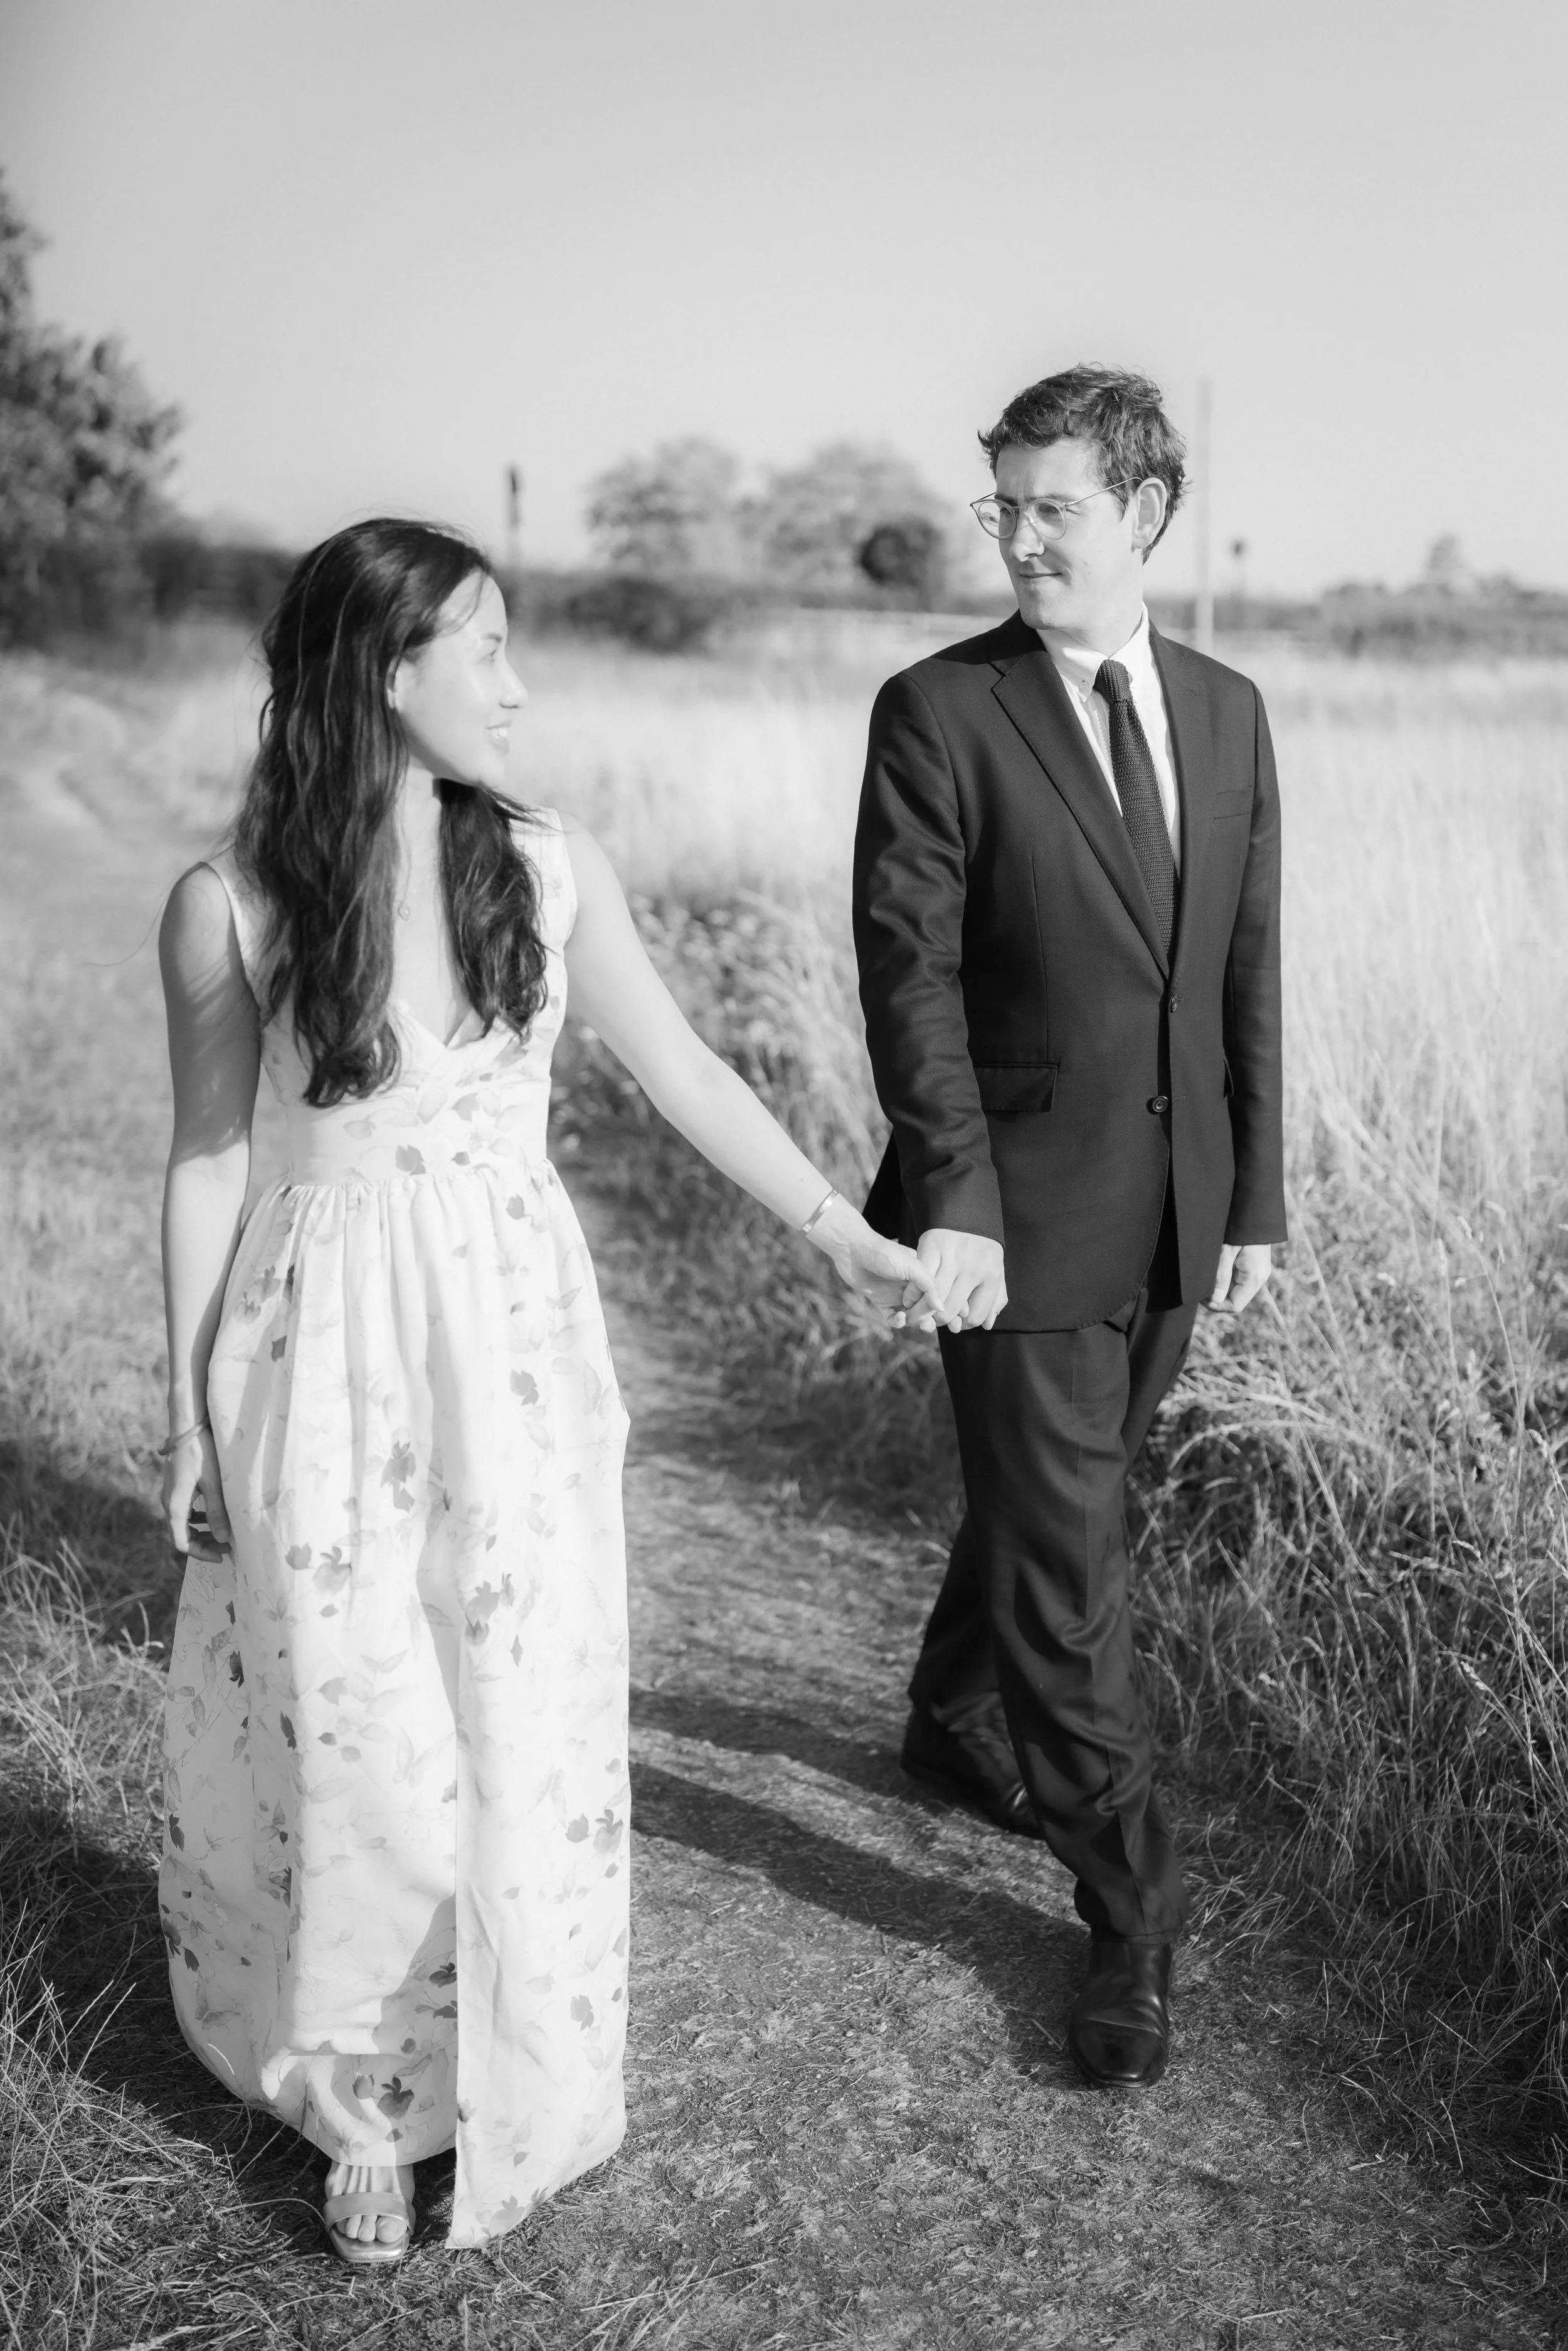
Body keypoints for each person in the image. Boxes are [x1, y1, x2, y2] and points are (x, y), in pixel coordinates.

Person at [157, 517, 940, 2263]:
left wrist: (852, 1234)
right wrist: (187, 1413)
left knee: (511, 1722)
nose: (519, 681)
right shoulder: (230, 901)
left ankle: (503, 2054)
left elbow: (680, 1072)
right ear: (383, 670)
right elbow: (208, 1166)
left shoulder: (547, 863)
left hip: (512, 1355)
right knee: (356, 1729)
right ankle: (367, 2096)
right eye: (485, 645)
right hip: (318, 1356)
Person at [854, 366, 1285, 2090]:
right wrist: (949, 1199)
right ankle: (1130, 1911)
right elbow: (908, 984)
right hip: (1010, 1227)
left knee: (1066, 1507)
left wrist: (1253, 1193)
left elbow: (1247, 961)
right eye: (1003, 508)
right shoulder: (937, 710)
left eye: (1056, 508)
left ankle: (950, 1718)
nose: (1022, 539)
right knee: (1071, 1571)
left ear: (1145, 513)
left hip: (1177, 1213)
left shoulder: (1233, 707)